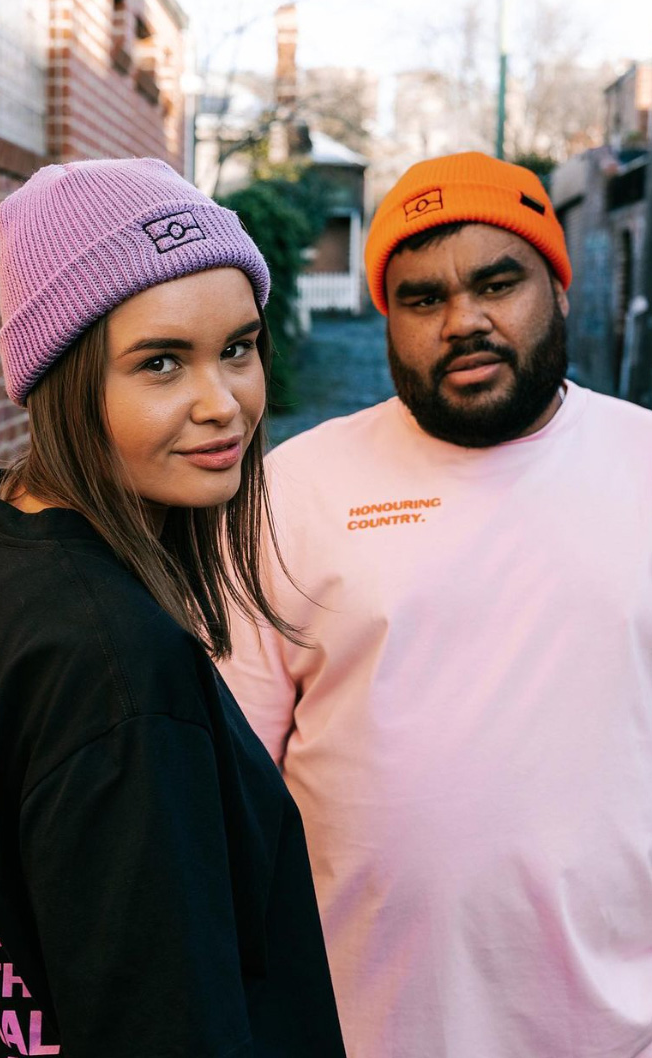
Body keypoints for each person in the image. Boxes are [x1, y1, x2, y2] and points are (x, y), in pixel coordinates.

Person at [0, 158, 346, 1058]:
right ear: (63, 378)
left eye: (239, 348)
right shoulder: (120, 667)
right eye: (162, 362)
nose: (225, 406)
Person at [218, 151, 652, 1058]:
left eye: (499, 282)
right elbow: (231, 797)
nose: (465, 321)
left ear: (559, 290)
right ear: (389, 316)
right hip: (359, 1028)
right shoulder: (291, 492)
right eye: (422, 298)